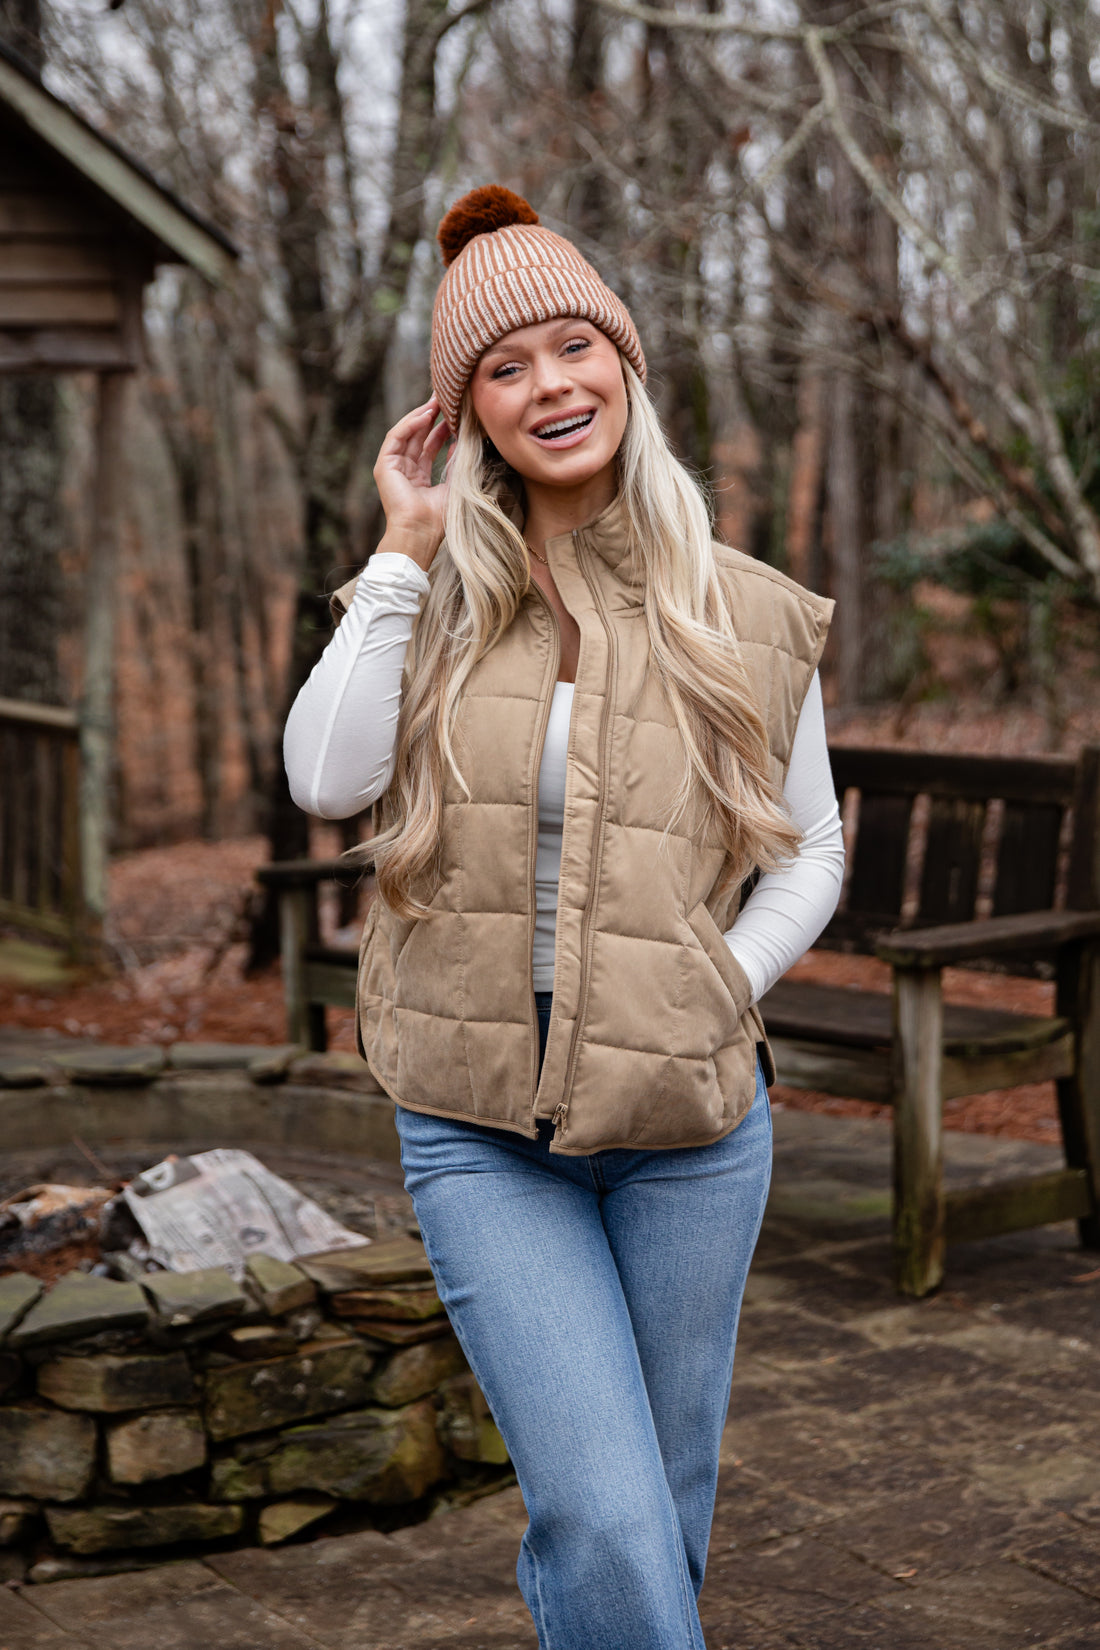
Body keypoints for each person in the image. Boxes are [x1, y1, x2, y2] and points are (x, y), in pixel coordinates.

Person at [284, 185, 844, 1650]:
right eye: (505, 366)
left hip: (693, 1126)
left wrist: (725, 974)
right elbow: (324, 776)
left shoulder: (745, 609)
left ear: (626, 364)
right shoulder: (436, 604)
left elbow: (815, 849)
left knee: (659, 1507)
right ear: (466, 410)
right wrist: (402, 549)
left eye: (573, 347)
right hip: (478, 1126)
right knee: (598, 1511)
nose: (551, 386)